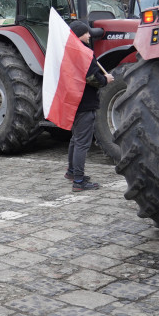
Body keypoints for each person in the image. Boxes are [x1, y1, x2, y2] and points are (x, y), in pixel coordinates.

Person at [65, 19, 113, 192]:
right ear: (79, 35)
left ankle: (71, 172)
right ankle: (78, 181)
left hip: (74, 102)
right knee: (82, 144)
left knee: (75, 139)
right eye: (86, 32)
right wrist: (105, 80)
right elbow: (92, 78)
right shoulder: (84, 53)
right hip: (85, 103)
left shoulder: (70, 53)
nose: (89, 35)